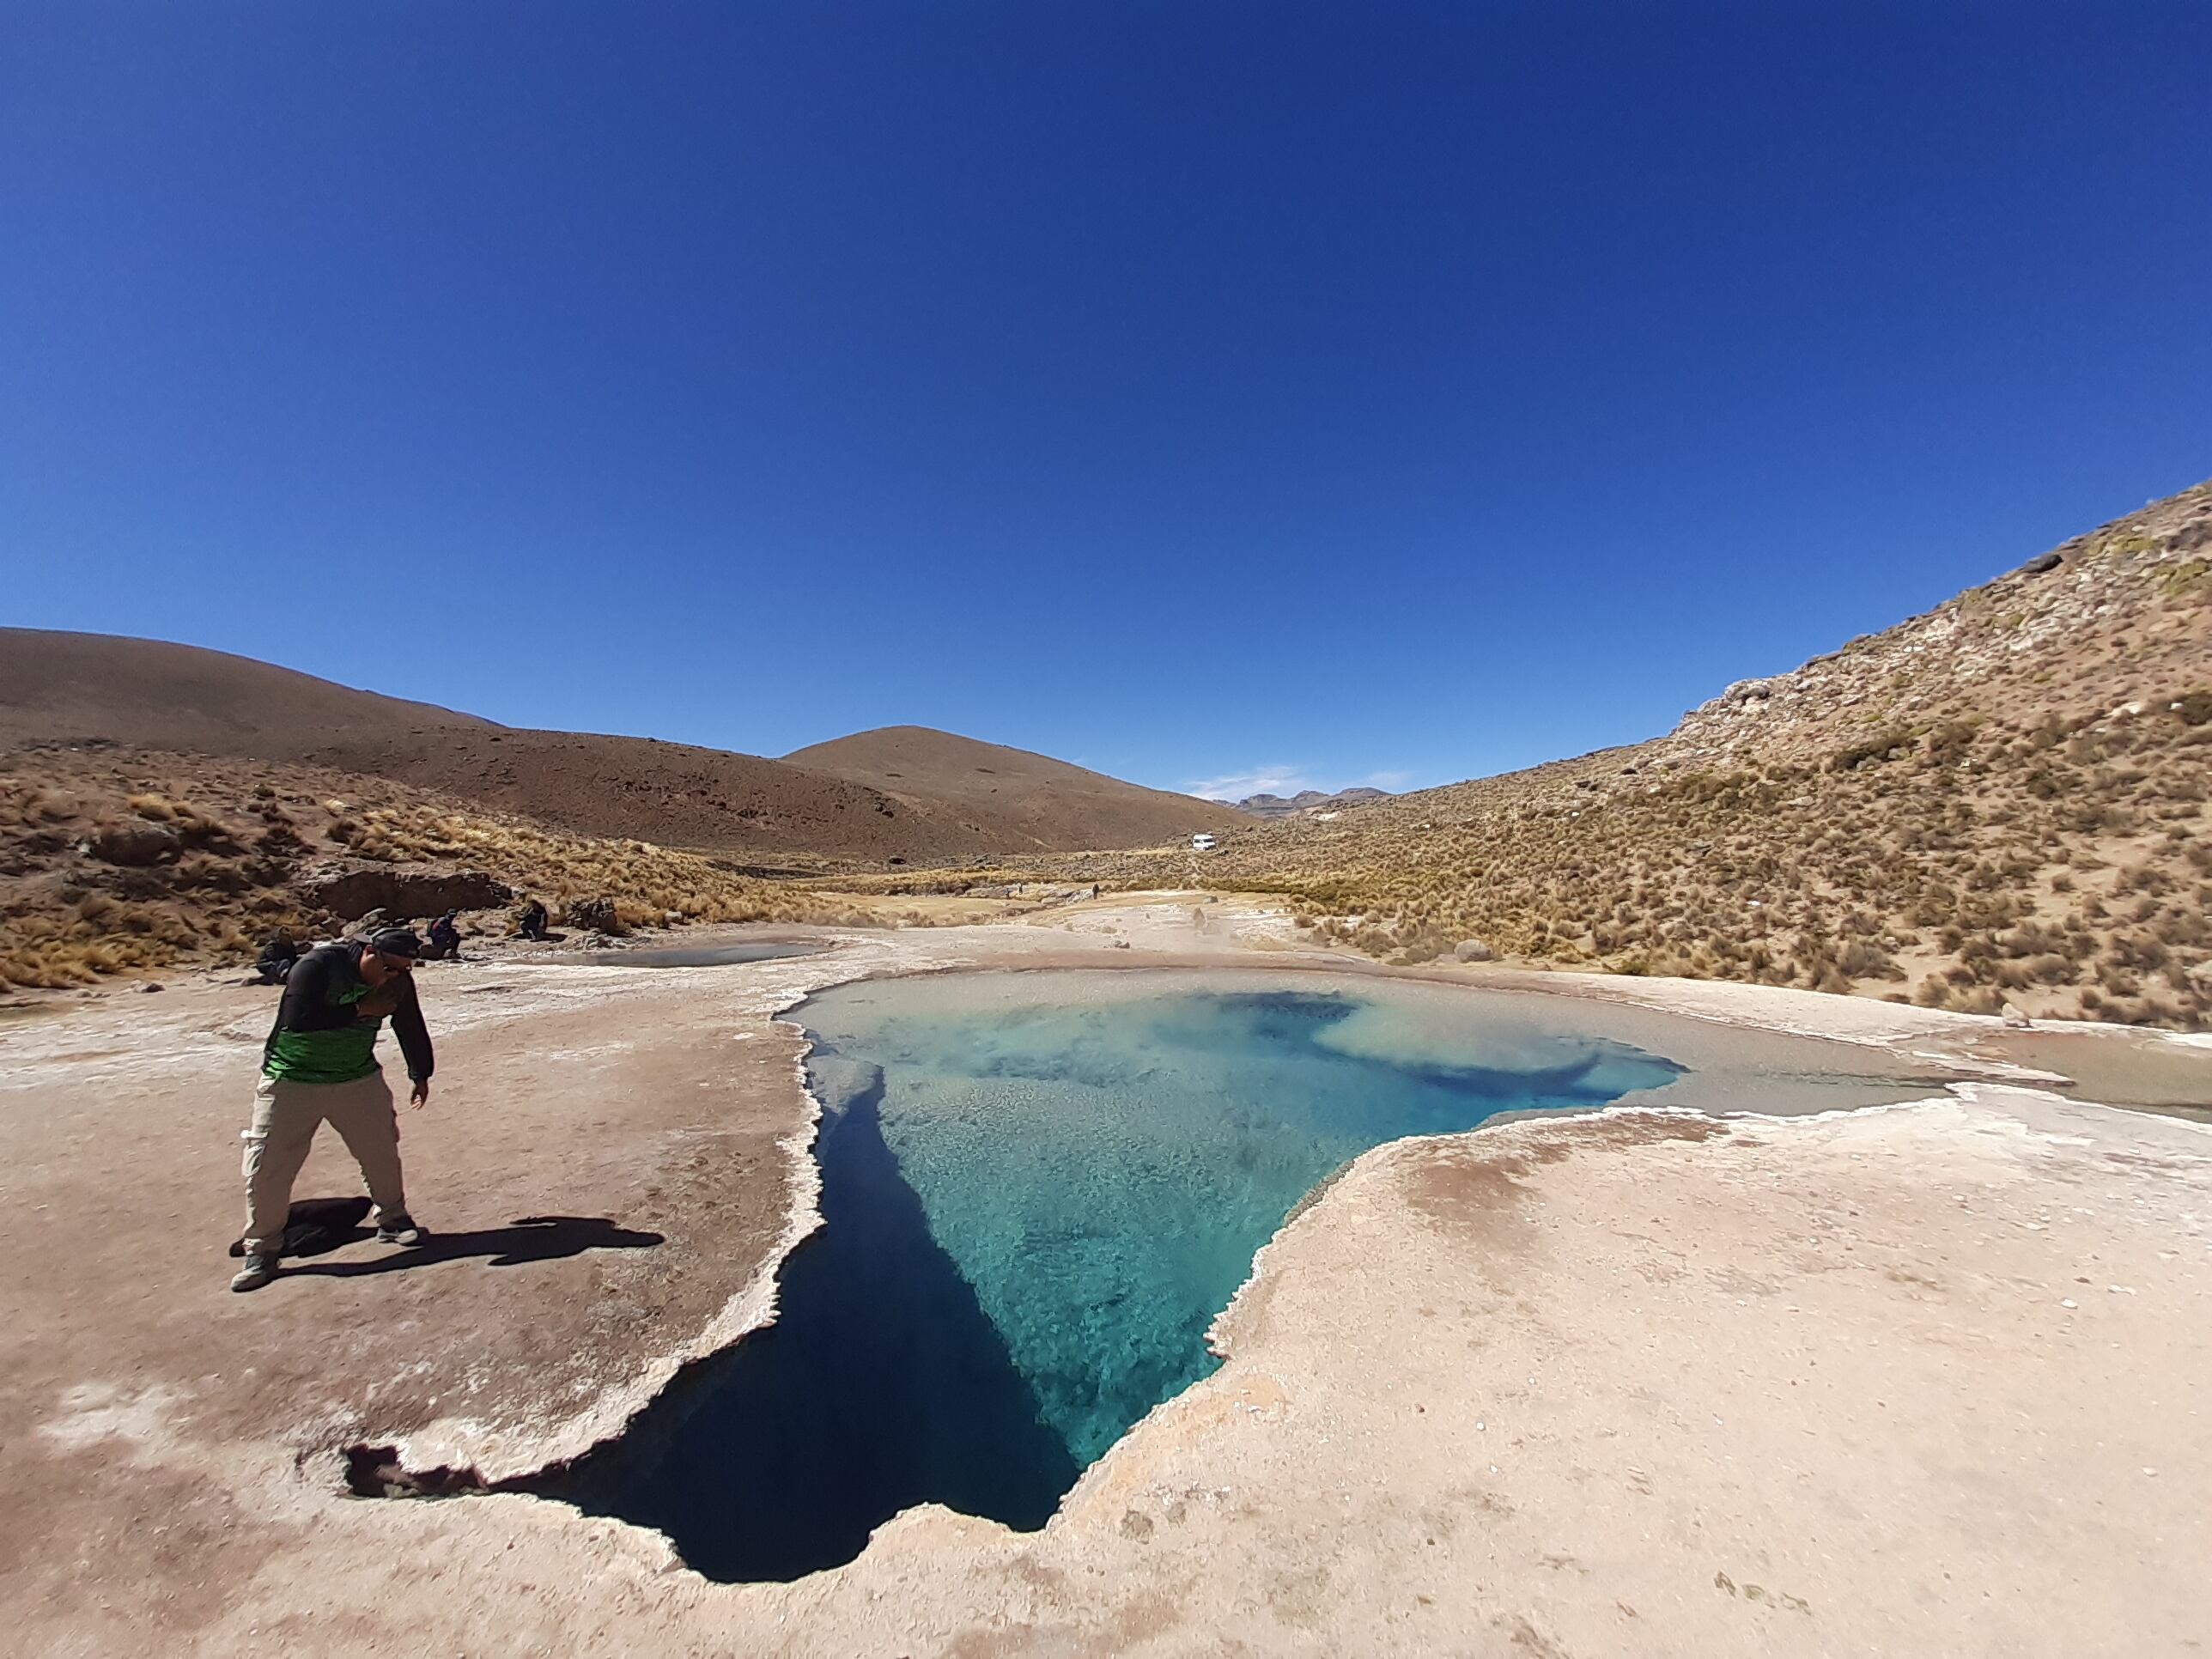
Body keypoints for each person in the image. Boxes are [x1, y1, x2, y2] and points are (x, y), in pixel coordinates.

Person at [230, 927, 436, 1292]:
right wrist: (360, 1009)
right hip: (291, 1079)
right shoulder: (317, 966)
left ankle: (393, 1219)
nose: (395, 977)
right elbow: (298, 1016)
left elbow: (409, 1023)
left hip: (357, 1077)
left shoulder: (397, 979)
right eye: (390, 968)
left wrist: (420, 1072)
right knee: (268, 1167)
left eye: (405, 969)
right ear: (370, 953)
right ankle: (262, 1249)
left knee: (380, 1152)